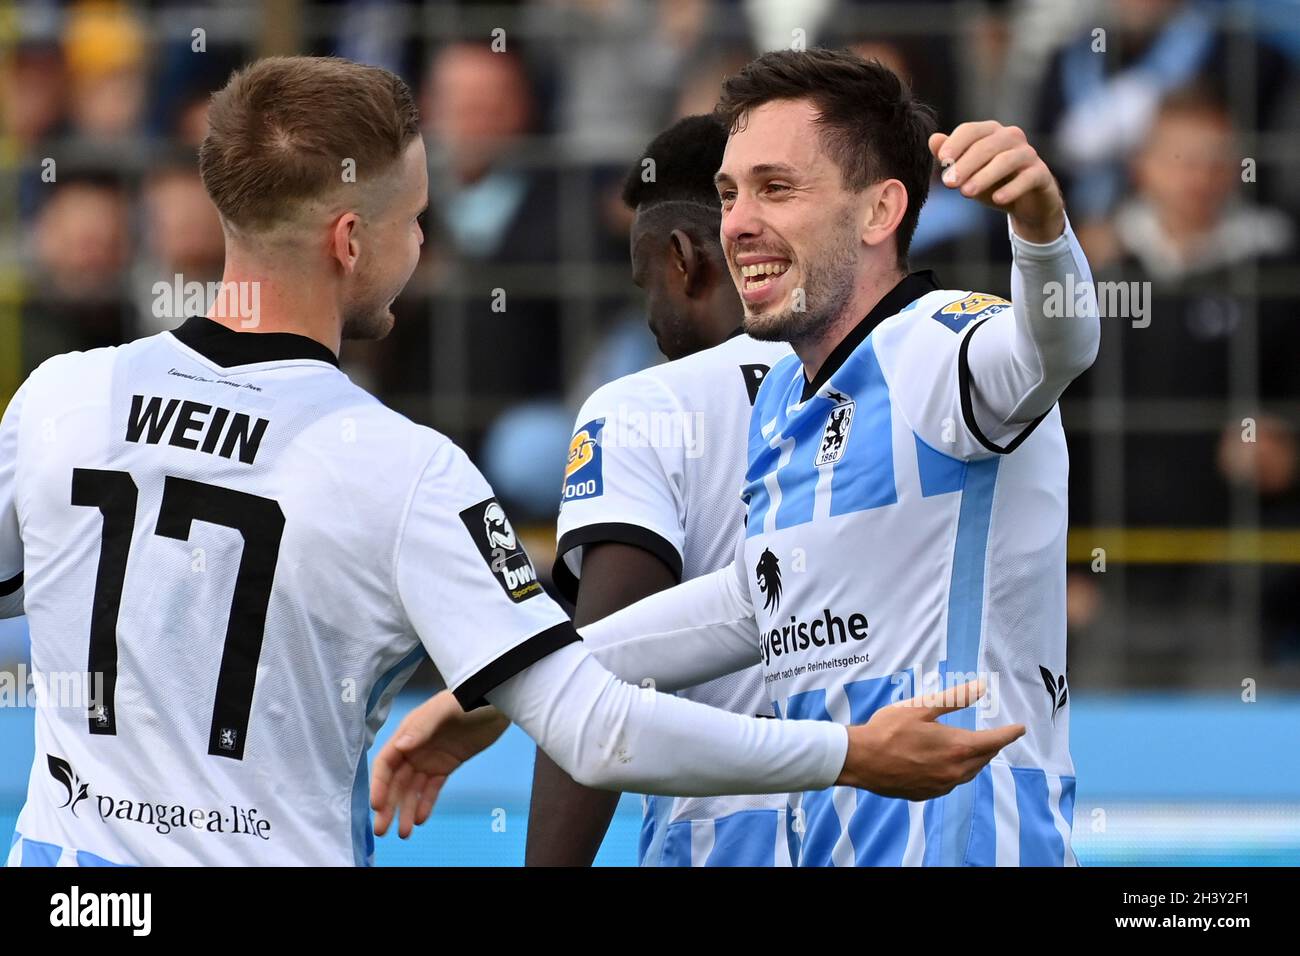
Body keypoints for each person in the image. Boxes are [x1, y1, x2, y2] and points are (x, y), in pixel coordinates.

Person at [0, 55, 1019, 868]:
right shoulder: (403, 472)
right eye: (417, 219)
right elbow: (594, 727)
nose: (426, 240)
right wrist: (850, 754)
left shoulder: (61, 397)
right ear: (352, 239)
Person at [379, 49, 1098, 867]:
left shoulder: (940, 344)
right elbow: (760, 601)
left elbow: (1056, 346)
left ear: (879, 212)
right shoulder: (785, 404)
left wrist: (1040, 228)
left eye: (777, 188)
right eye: (729, 192)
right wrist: (503, 690)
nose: (738, 222)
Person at [527, 115, 795, 867]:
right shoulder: (889, 379)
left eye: (646, 282)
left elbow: (603, 682)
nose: (649, 315)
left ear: (684, 260)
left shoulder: (642, 408)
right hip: (891, 825)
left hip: (727, 833)